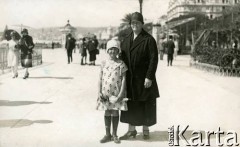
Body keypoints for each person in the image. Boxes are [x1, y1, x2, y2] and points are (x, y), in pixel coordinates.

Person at [120, 12, 159, 140]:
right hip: (130, 79)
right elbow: (122, 58)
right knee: (131, 104)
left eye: (137, 23)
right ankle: (131, 130)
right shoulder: (126, 40)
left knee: (145, 103)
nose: (134, 25)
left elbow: (154, 59)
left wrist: (149, 77)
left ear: (142, 24)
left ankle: (146, 129)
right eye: (132, 23)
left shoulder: (148, 39)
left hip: (144, 78)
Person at [96, 39, 128, 144]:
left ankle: (114, 134)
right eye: (110, 50)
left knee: (114, 112)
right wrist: (99, 92)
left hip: (116, 94)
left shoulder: (121, 64)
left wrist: (121, 93)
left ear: (118, 51)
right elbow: (100, 78)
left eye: (115, 50)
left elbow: (124, 79)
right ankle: (107, 134)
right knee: (107, 111)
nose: (112, 52)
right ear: (107, 51)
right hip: (105, 94)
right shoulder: (104, 63)